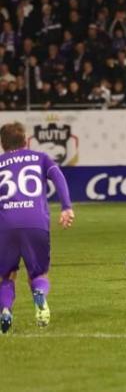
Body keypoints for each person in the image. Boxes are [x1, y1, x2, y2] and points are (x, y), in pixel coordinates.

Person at [0, 122, 75, 333]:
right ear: (25, 140)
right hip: (35, 222)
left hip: (5, 224)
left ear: (2, 143)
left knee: (6, 275)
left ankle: (5, 309)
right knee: (39, 274)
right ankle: (39, 295)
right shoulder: (40, 158)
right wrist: (66, 207)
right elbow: (58, 177)